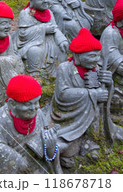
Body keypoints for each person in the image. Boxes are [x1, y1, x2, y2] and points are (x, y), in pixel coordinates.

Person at [50, 28, 117, 168]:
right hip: (69, 115)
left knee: (98, 115)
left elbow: (103, 96)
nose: (96, 60)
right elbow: (62, 94)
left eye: (97, 56)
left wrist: (109, 84)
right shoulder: (65, 69)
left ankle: (92, 141)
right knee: (66, 146)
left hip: (91, 116)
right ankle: (76, 146)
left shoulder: (96, 70)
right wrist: (92, 94)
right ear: (77, 55)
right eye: (91, 56)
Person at [0, 75, 62, 174]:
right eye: (28, 104)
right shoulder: (0, 118)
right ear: (12, 104)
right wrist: (17, 159)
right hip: (12, 166)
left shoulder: (39, 114)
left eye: (36, 102)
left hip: (37, 163)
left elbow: (45, 139)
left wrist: (50, 147)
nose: (34, 108)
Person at [17, 0, 68, 76]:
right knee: (34, 51)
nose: (46, 1)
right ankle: (35, 74)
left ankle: (56, 75)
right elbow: (22, 34)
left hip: (50, 43)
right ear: (31, 0)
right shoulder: (25, 13)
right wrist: (43, 28)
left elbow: (55, 28)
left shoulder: (49, 12)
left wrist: (61, 40)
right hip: (31, 43)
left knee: (61, 49)